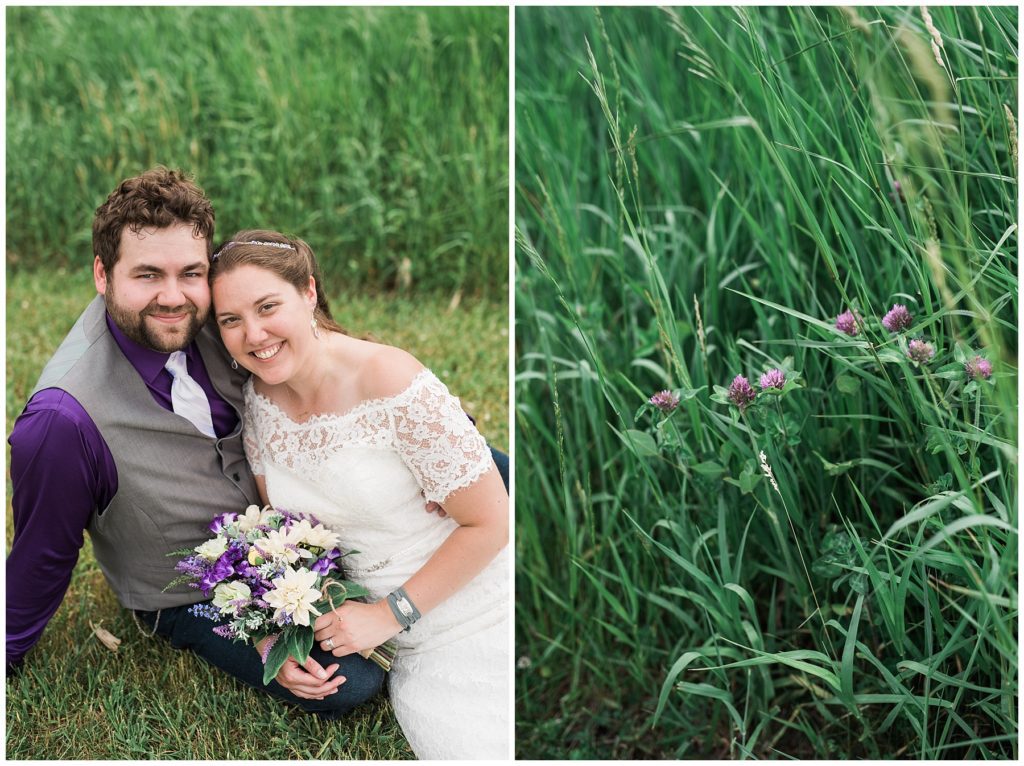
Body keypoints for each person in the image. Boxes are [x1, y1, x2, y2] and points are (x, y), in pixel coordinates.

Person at [6, 168, 385, 714]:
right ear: (101, 274)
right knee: (344, 681)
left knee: (479, 472)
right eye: (147, 275)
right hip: (189, 590)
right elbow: (42, 555)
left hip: (299, 515)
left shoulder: (224, 317)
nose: (173, 296)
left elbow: (326, 358)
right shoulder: (62, 420)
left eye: (190, 272)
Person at [209, 230, 511, 760]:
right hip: (367, 617)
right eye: (231, 321)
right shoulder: (256, 400)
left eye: (267, 307)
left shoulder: (390, 379)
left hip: (464, 602)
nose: (253, 334)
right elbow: (286, 535)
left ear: (308, 292)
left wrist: (387, 615)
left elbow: (491, 523)